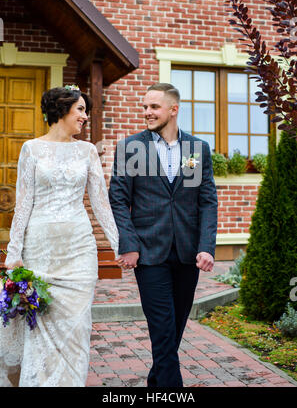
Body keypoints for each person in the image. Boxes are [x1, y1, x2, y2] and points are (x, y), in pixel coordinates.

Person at [0, 85, 119, 387]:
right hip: (41, 251)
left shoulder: (88, 151)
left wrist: (120, 244)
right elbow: (23, 204)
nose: (84, 117)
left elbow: (100, 202)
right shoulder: (32, 149)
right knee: (39, 329)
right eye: (80, 110)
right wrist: (14, 253)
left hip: (79, 251)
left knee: (76, 329)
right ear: (62, 109)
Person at [109, 83, 217, 387]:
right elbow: (118, 199)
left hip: (187, 253)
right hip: (148, 251)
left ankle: (156, 382)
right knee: (162, 326)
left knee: (173, 328)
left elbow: (206, 200)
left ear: (173, 109)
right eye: (145, 107)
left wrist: (206, 246)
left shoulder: (197, 149)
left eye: (154, 107)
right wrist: (128, 244)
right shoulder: (132, 148)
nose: (147, 112)